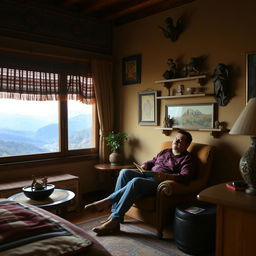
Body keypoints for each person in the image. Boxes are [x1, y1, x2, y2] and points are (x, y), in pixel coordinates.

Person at [84, 129, 196, 235]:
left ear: (187, 145)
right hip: (148, 175)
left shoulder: (187, 159)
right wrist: (145, 165)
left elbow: (185, 177)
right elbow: (153, 161)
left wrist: (166, 176)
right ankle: (114, 216)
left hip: (159, 182)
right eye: (176, 138)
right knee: (124, 172)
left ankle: (113, 215)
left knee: (136, 181)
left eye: (180, 140)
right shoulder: (165, 151)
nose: (176, 141)